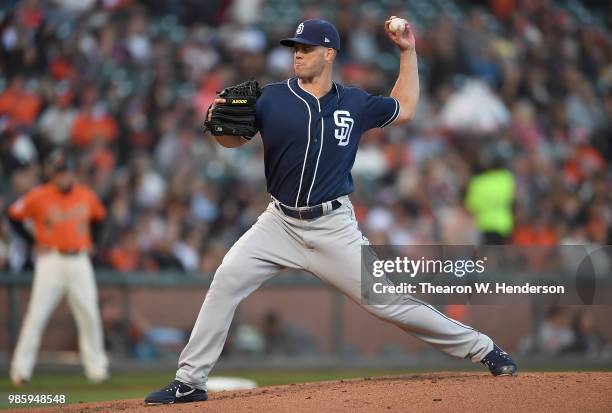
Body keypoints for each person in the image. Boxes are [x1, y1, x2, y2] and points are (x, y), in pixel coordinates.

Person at [145, 17, 517, 405]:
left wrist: (407, 52)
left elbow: (405, 108)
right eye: (295, 49)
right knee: (225, 281)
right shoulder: (272, 97)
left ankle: (484, 348)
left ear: (329, 53)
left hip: (333, 226)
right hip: (279, 223)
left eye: (306, 48)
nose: (298, 55)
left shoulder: (354, 102)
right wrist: (219, 128)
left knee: (389, 303)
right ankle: (189, 381)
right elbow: (232, 140)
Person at [7, 149, 109, 386]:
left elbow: (101, 219)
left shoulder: (85, 194)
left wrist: (94, 242)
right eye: (58, 172)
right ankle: (20, 371)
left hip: (79, 260)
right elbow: (13, 216)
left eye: (65, 171)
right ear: (52, 174)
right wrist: (32, 241)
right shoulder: (39, 195)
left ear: (72, 172)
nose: (63, 176)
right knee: (37, 315)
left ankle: (97, 370)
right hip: (50, 260)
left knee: (90, 315)